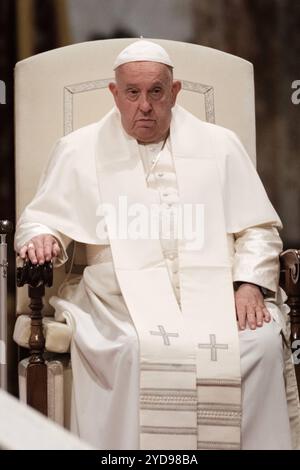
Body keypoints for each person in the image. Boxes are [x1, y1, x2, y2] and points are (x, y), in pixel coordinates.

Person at [15, 40, 300, 450]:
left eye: (155, 92)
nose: (144, 105)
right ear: (115, 93)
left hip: (215, 295)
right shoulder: (79, 150)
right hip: (118, 301)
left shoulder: (220, 145)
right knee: (133, 349)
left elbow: (257, 228)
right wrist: (42, 237)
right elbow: (42, 218)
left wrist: (250, 284)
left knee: (257, 346)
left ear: (175, 91)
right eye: (132, 93)